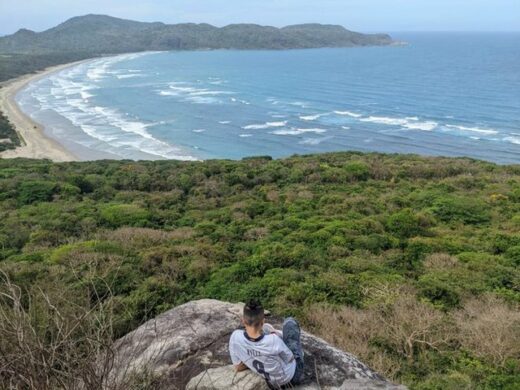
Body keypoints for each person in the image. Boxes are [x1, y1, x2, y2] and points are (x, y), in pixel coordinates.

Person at [229, 300, 304, 389]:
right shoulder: (273, 341)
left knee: (266, 330)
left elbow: (238, 367)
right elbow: (290, 359)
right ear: (262, 321)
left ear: (243, 321)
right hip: (291, 378)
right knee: (290, 322)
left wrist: (253, 356)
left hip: (271, 383)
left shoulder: (235, 337)